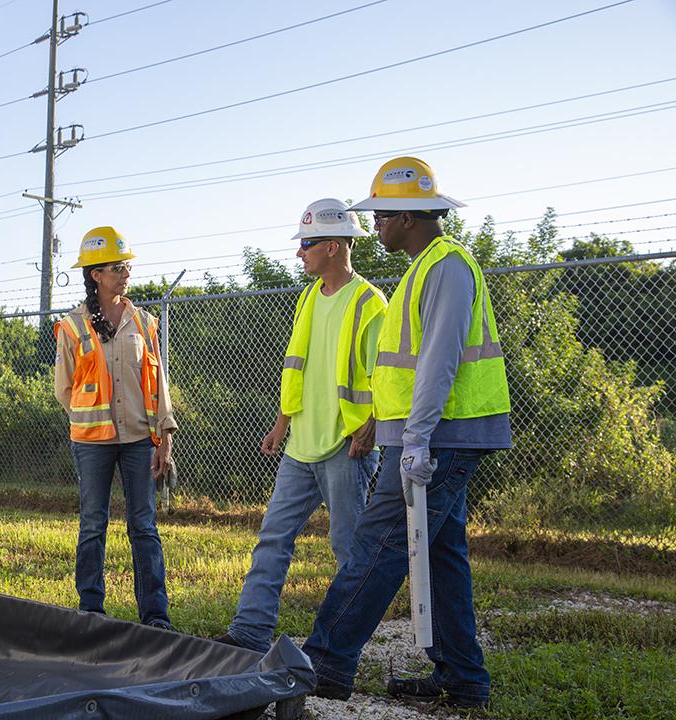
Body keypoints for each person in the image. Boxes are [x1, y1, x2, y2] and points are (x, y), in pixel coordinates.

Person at [299, 157, 511, 708]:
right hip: (428, 437)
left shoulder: (446, 267)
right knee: (442, 555)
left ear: (409, 216)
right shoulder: (426, 267)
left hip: (436, 439)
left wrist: (415, 439)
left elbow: (439, 361)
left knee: (380, 545)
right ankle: (463, 678)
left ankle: (325, 661)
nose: (375, 226)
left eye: (382, 216)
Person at [216, 199, 386, 653]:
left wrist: (369, 426)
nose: (300, 253)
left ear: (333, 246)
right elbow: (297, 368)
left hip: (345, 446)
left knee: (349, 550)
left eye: (307, 244)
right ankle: (249, 634)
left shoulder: (370, 302)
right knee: (272, 538)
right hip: (300, 444)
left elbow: (384, 375)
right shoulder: (309, 297)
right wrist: (281, 423)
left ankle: (345, 647)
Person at [54, 226, 177, 630]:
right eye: (117, 268)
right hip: (92, 443)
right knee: (93, 523)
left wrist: (165, 437)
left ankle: (155, 616)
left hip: (141, 439)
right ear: (95, 275)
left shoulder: (144, 323)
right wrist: (88, 420)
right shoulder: (73, 326)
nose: (125, 273)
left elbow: (158, 382)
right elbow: (65, 388)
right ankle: (91, 611)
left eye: (126, 266)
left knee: (144, 525)